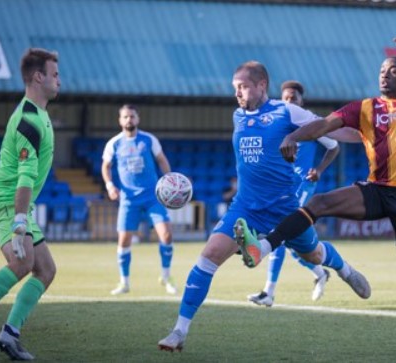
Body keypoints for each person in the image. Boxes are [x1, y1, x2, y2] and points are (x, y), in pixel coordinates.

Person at [236, 33, 396, 351]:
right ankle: (264, 247)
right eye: (381, 70)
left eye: (391, 70)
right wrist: (295, 138)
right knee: (318, 202)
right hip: (376, 190)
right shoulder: (364, 108)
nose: (384, 74)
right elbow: (323, 125)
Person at [158, 61, 370, 352]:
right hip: (245, 207)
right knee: (208, 257)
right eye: (235, 88)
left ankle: (344, 269)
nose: (238, 93)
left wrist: (369, 135)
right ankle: (179, 331)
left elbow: (330, 129)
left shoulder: (287, 111)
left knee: (314, 253)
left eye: (243, 87)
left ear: (261, 86)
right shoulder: (238, 116)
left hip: (285, 208)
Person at [0, 48, 61, 361]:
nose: (59, 80)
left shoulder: (39, 113)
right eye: (54, 74)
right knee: (22, 263)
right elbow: (25, 177)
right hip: (5, 202)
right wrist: (18, 220)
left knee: (45, 269)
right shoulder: (28, 119)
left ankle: (10, 334)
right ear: (38, 77)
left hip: (18, 206)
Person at [247, 80, 344, 306]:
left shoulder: (310, 123)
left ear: (302, 101)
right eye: (286, 98)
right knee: (292, 244)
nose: (289, 101)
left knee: (279, 232)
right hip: (281, 187)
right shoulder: (276, 122)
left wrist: (319, 170)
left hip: (302, 186)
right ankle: (320, 273)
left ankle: (269, 292)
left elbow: (334, 146)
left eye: (294, 98)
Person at [102, 104, 177, 295]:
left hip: (152, 197)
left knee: (167, 235)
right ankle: (124, 282)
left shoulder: (148, 140)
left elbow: (162, 160)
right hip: (128, 200)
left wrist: (170, 181)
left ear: (138, 118)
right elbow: (106, 167)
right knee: (124, 240)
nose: (129, 120)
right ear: (120, 120)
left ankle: (166, 277)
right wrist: (110, 186)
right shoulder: (114, 143)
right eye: (125, 117)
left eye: (132, 116)